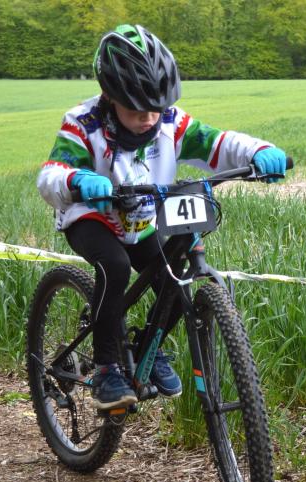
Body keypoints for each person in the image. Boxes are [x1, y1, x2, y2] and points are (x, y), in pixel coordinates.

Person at [37, 24, 288, 410]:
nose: (149, 118)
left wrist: (258, 151)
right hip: (91, 216)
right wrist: (77, 179)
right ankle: (105, 368)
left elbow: (217, 143)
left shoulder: (169, 121)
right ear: (110, 96)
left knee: (175, 275)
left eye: (156, 108)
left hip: (142, 220)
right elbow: (50, 175)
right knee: (115, 267)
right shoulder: (83, 124)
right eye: (137, 110)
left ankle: (146, 349)